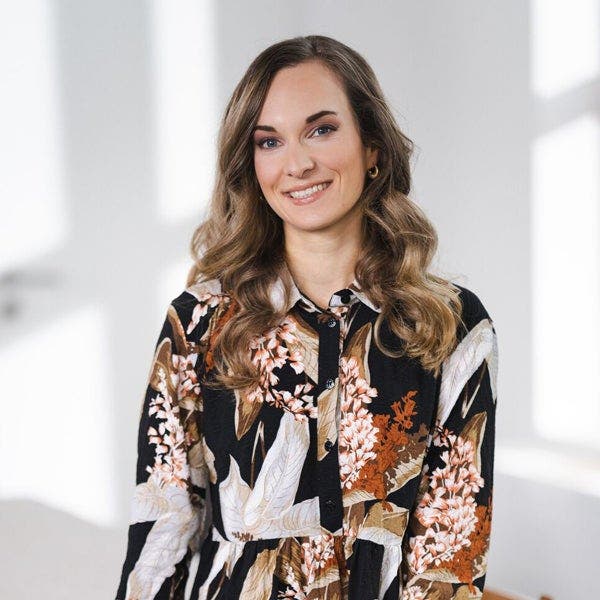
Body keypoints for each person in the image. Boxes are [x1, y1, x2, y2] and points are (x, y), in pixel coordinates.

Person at [115, 34, 498, 600]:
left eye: (322, 129)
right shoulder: (199, 321)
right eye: (269, 141)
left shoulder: (451, 324)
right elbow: (163, 530)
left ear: (373, 146)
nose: (297, 163)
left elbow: (452, 553)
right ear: (250, 164)